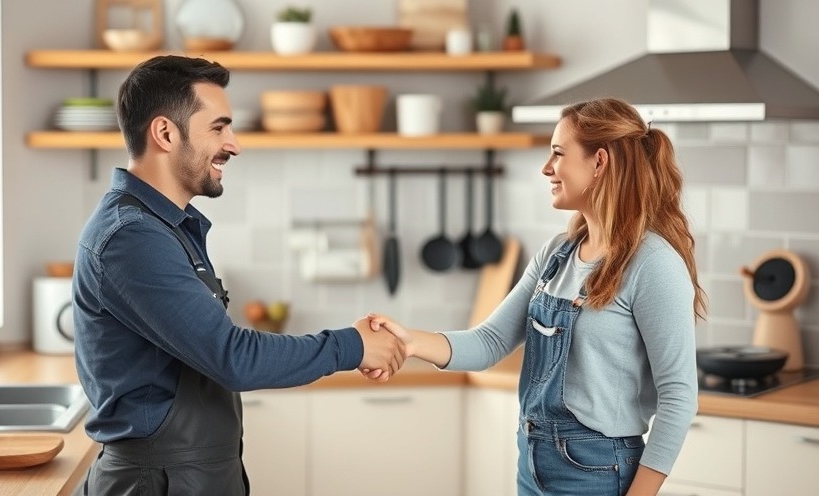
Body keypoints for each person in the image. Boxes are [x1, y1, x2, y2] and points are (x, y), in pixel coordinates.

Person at [72, 54, 405, 496]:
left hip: (186, 477)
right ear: (165, 133)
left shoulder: (165, 226)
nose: (234, 144)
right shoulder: (132, 238)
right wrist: (353, 344)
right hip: (160, 483)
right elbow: (232, 357)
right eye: (218, 127)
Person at [365, 97, 707, 496]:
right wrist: (409, 341)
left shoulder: (653, 264)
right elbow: (489, 342)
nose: (547, 169)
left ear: (600, 162)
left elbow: (679, 395)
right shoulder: (557, 254)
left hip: (597, 470)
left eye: (558, 154)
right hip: (533, 459)